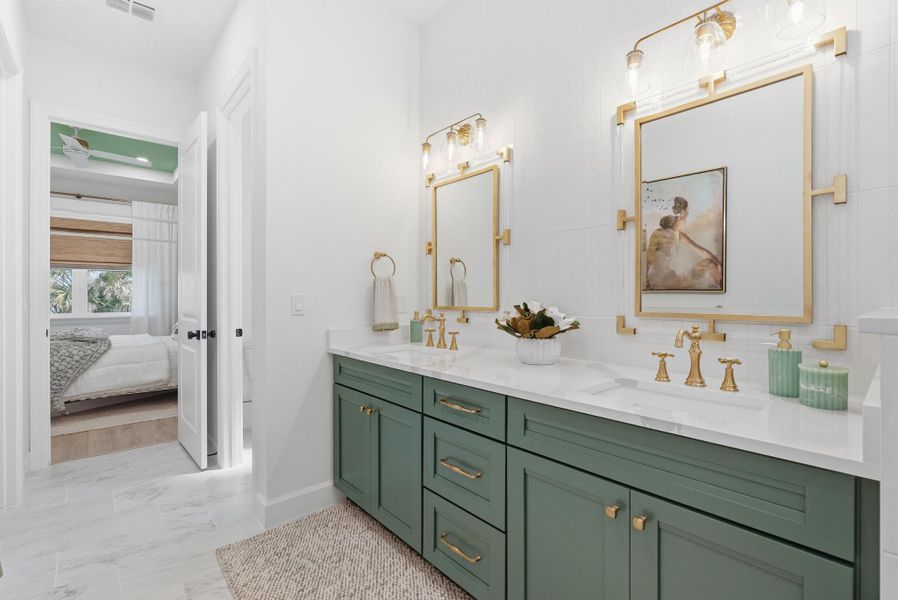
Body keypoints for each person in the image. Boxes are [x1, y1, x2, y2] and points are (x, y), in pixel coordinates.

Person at [645, 197, 722, 291]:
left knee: (708, 263)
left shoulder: (677, 234)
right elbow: (649, 259)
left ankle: (723, 287)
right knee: (708, 265)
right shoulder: (660, 234)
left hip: (666, 277)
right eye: (686, 213)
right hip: (660, 280)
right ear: (682, 214)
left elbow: (701, 250)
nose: (687, 216)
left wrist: (718, 264)